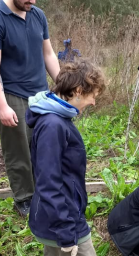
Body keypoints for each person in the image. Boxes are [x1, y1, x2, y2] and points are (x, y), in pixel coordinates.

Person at [0, 0, 60, 217]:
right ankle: (23, 198)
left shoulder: (38, 15)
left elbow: (48, 53)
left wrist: (63, 86)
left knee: (43, 145)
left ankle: (45, 191)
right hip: (12, 95)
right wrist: (2, 105)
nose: (32, 1)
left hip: (41, 94)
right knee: (18, 151)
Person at [26, 61, 106, 256]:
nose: (93, 102)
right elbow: (48, 183)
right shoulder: (53, 125)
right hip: (64, 220)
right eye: (92, 96)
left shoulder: (58, 118)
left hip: (61, 215)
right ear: (78, 90)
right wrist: (65, 230)